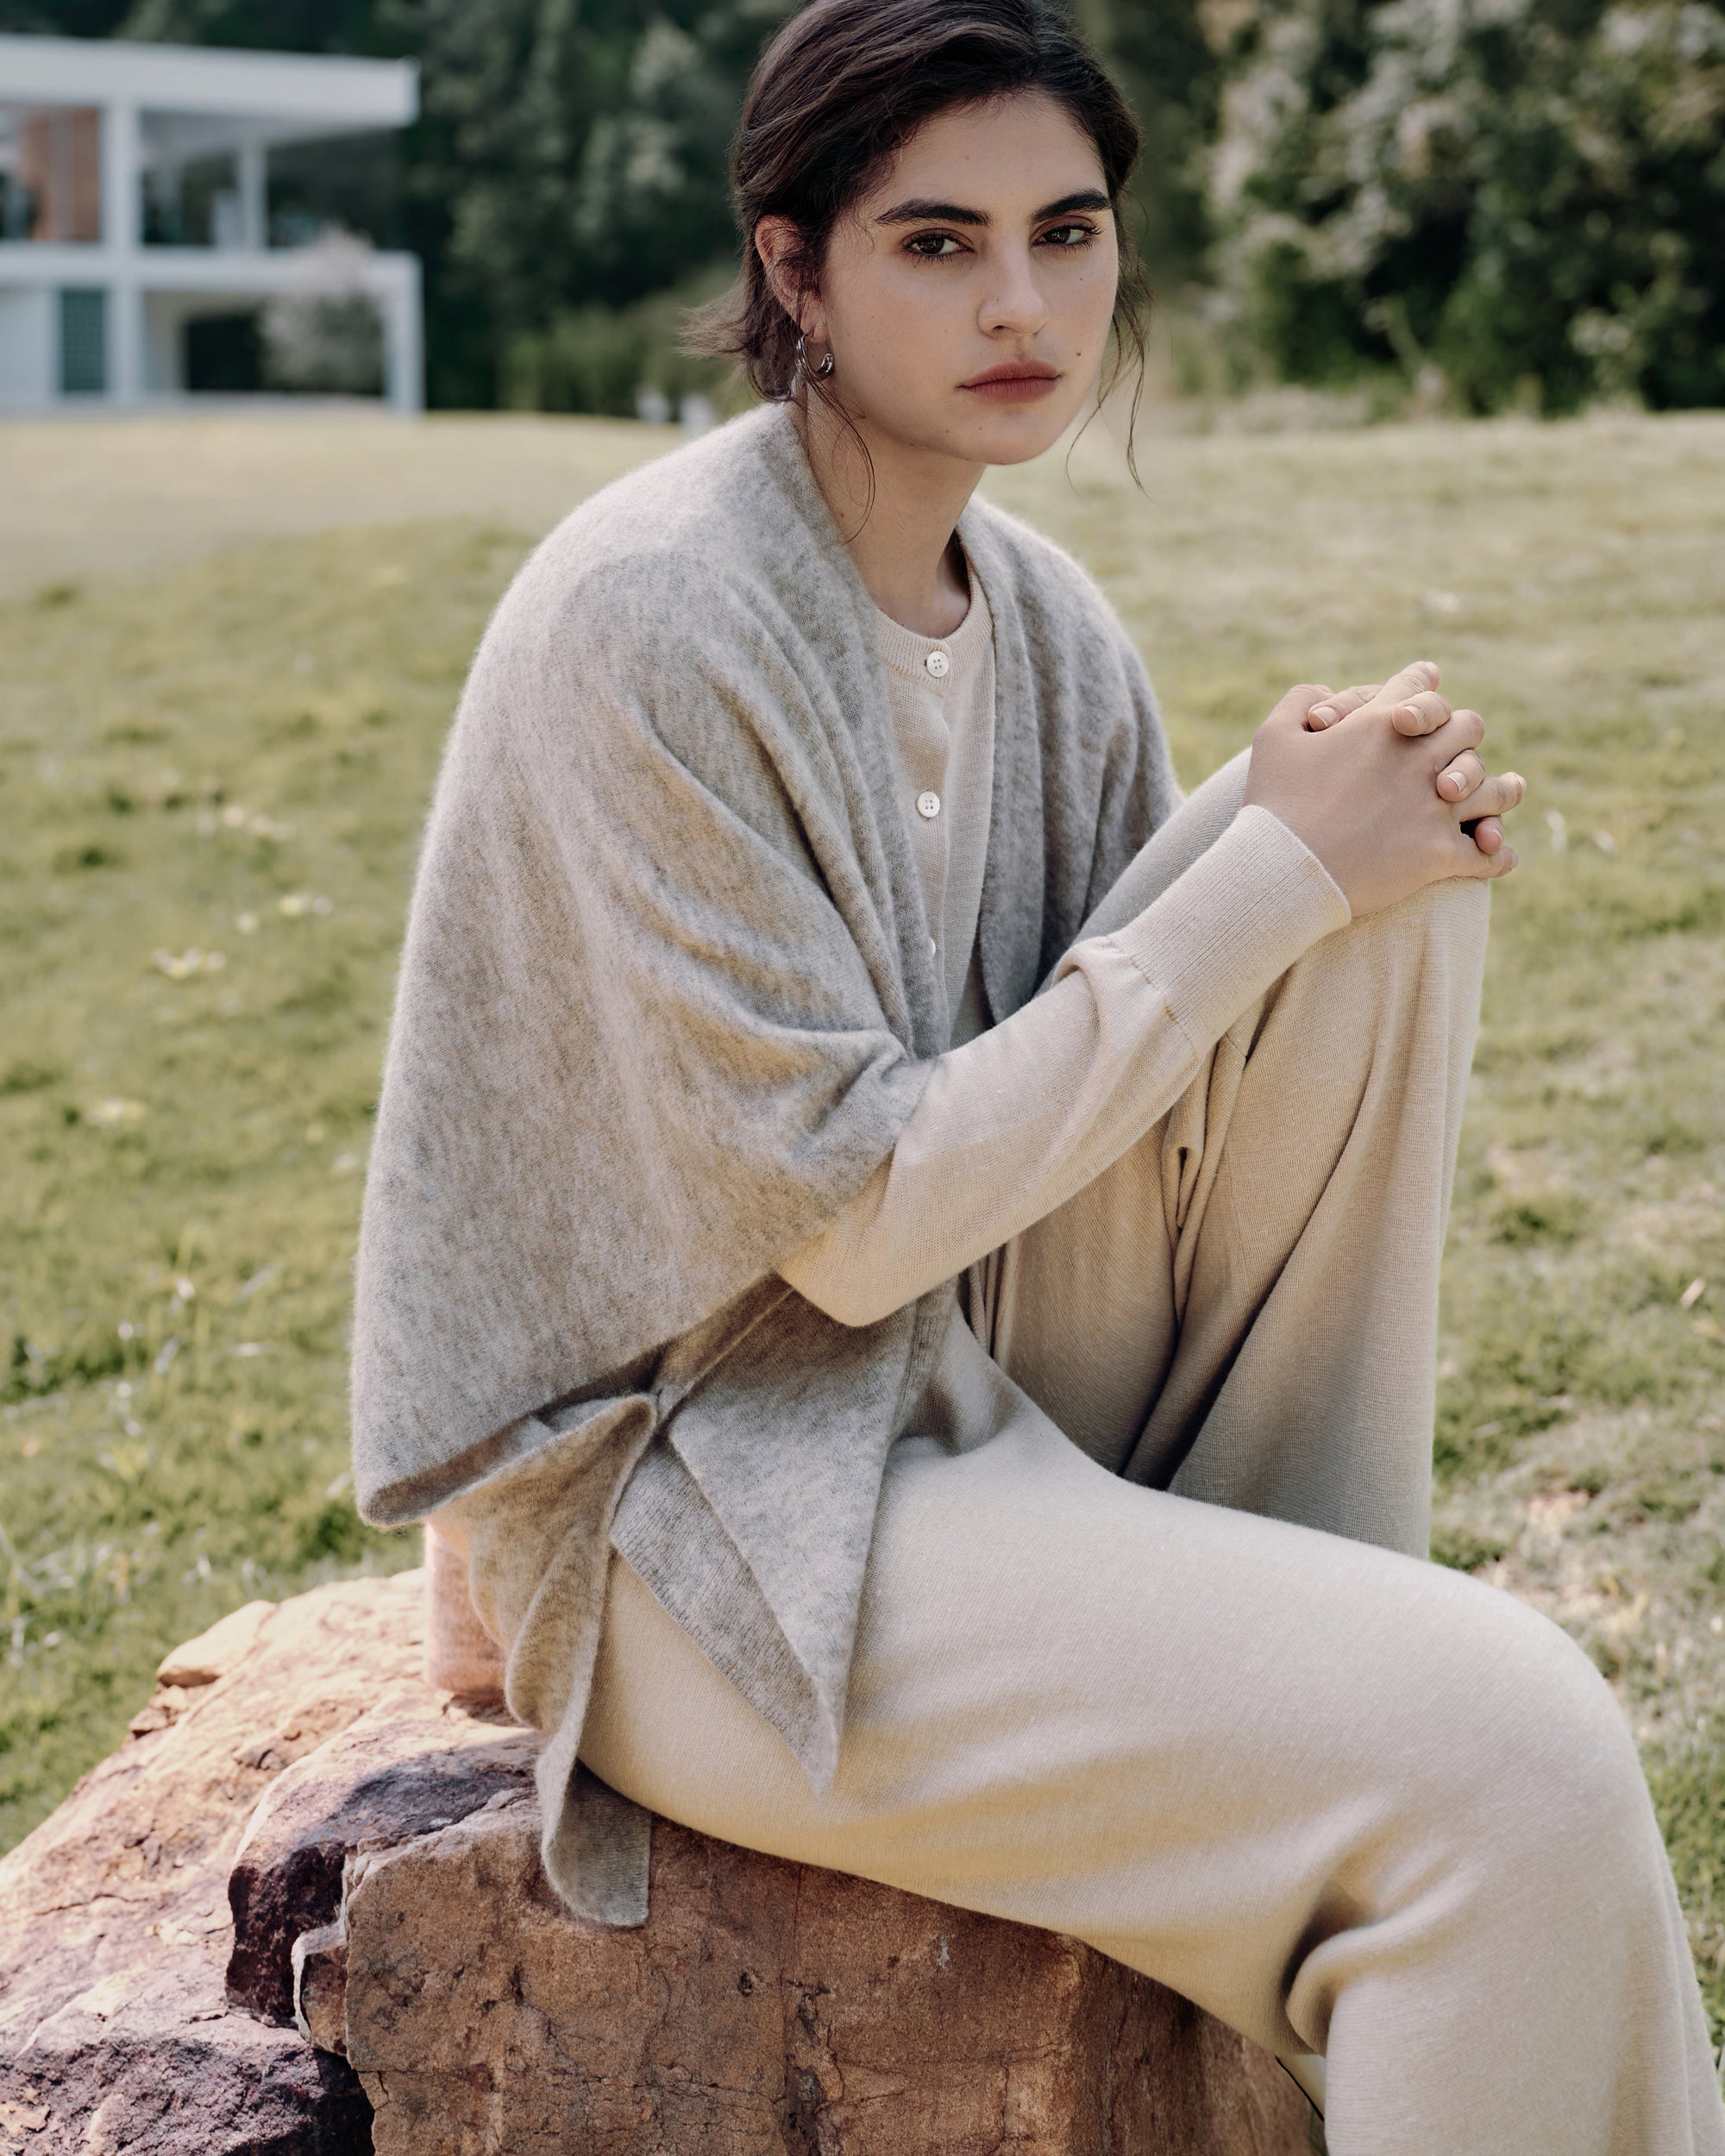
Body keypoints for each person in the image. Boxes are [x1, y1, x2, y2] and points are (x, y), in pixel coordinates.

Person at [348, 3, 1725, 2148]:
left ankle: (1302, 1616)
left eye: (1067, 233)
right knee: (1515, 1761)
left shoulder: (1051, 624)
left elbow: (1103, 1100)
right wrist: (1256, 875)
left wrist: (1319, 862)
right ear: (794, 269)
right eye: (935, 243)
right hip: (697, 1488)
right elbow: (862, 1207)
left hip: (952, 1373)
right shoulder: (653, 617)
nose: (1021, 304)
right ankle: (1362, 1739)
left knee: (1387, 878)